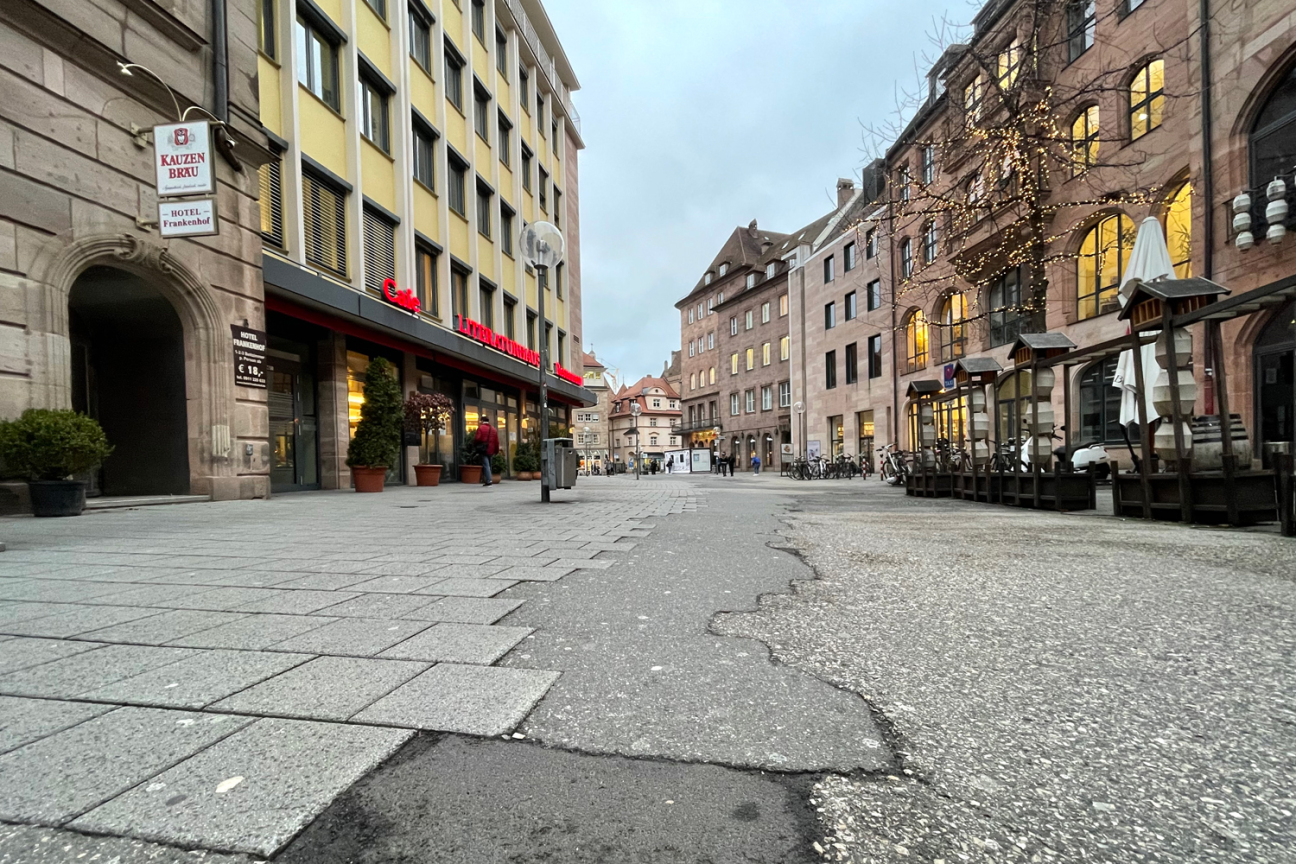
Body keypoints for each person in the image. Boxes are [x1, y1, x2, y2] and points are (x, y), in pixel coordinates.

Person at [474, 417, 499, 487]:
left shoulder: (481, 428)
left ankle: (488, 480)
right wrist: (496, 451)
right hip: (491, 450)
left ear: (482, 421)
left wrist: (475, 445)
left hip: (483, 449)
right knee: (489, 465)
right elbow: (496, 441)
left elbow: (477, 438)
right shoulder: (493, 429)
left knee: (486, 465)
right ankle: (488, 478)